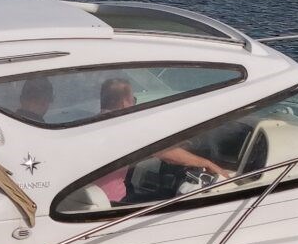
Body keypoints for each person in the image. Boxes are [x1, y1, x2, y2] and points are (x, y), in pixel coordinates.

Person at [93, 76, 229, 205]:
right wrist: (207, 163)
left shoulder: (94, 124)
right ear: (124, 103)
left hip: (91, 196)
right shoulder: (125, 128)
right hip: (113, 201)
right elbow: (166, 154)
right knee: (169, 199)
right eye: (133, 100)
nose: (134, 104)